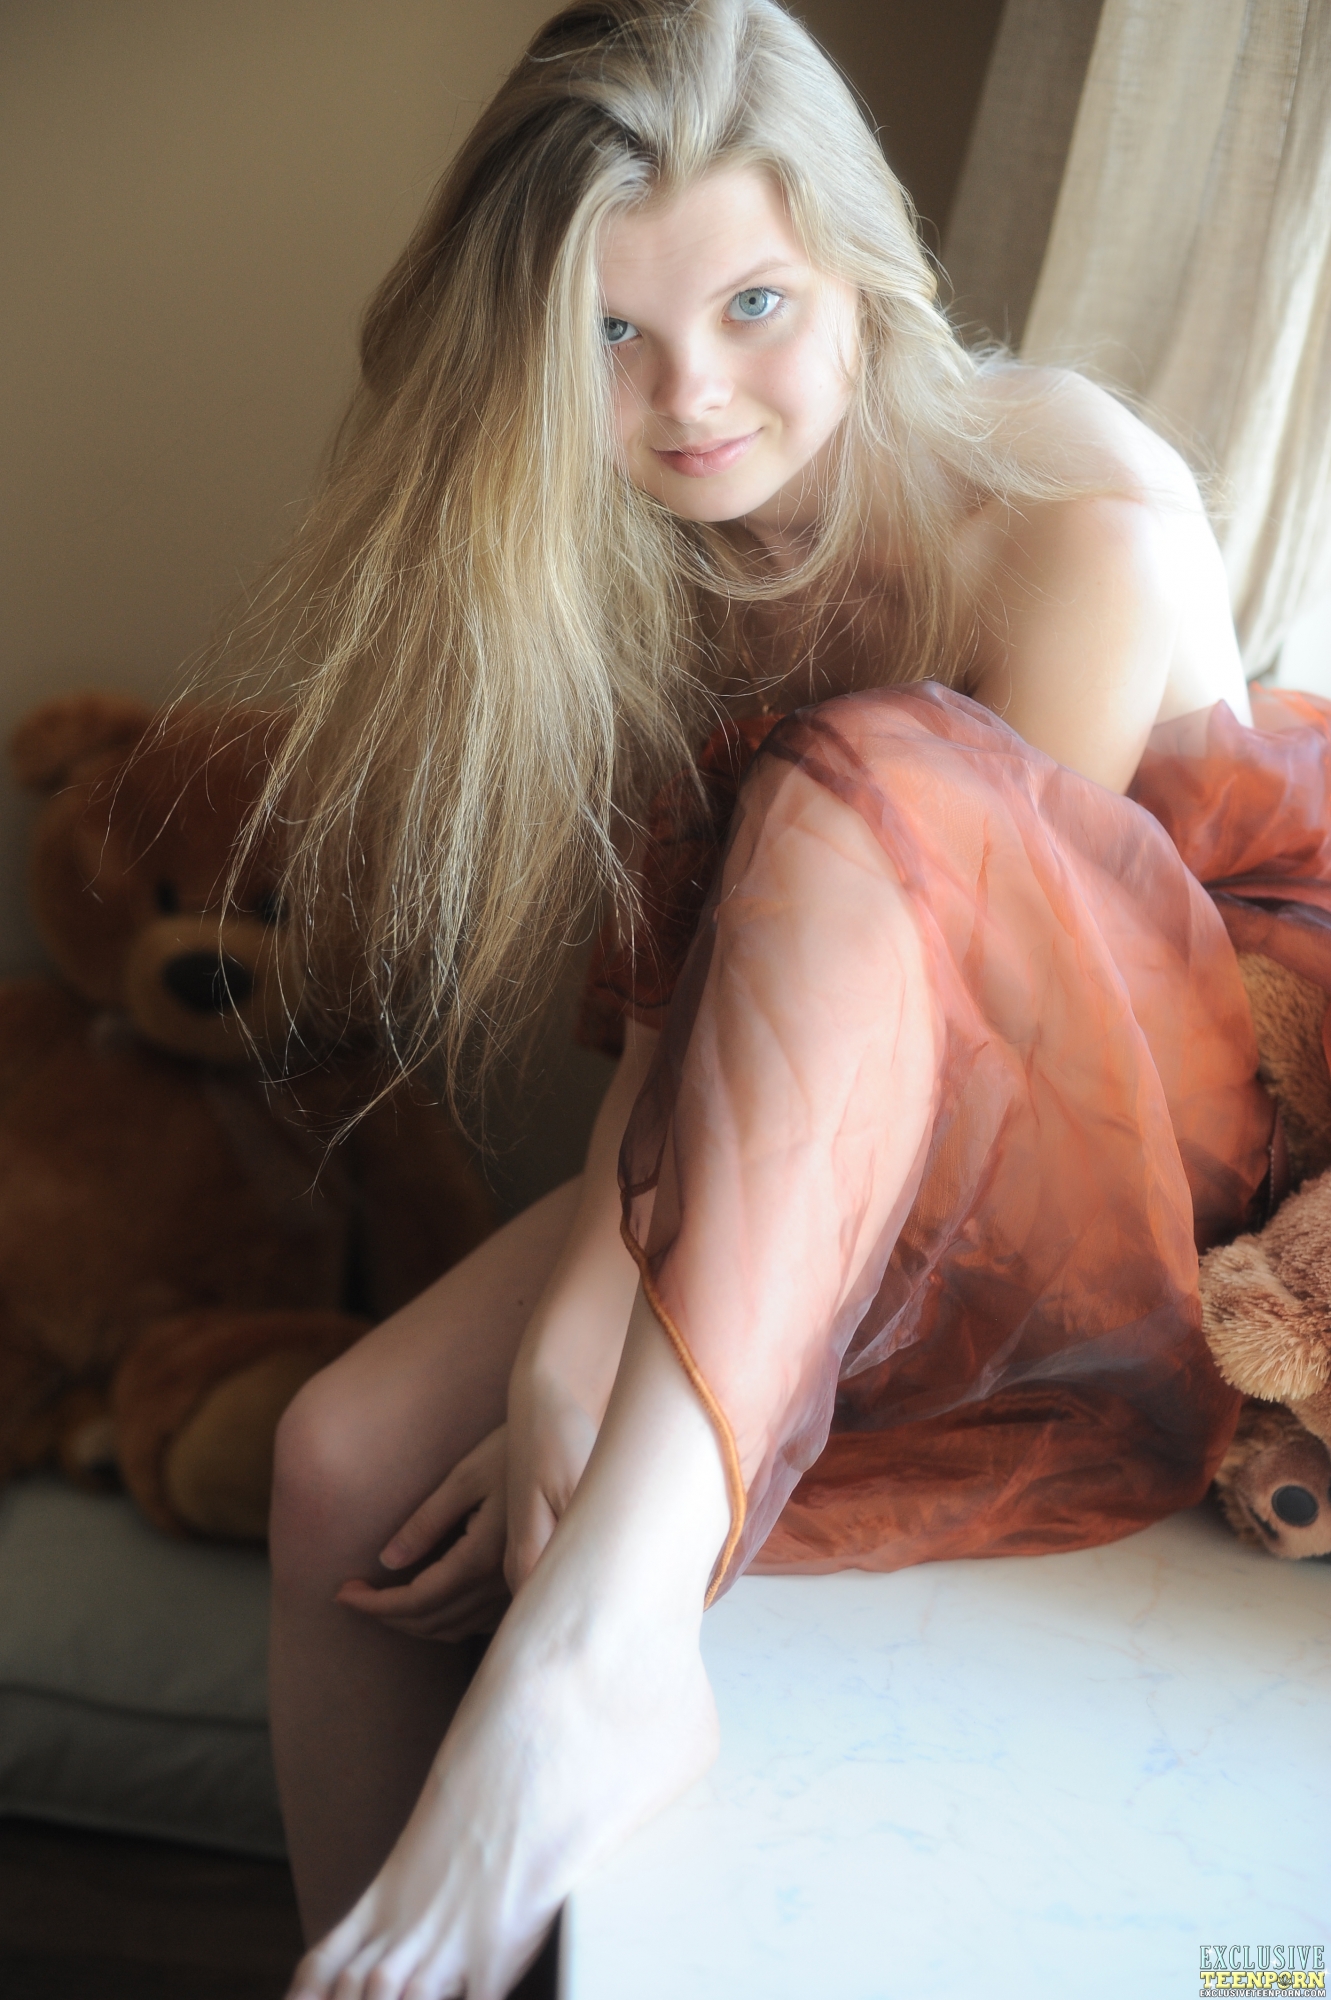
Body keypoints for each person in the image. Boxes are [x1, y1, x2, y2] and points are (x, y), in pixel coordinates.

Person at [242, 4, 1330, 1996]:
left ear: (859, 271)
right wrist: (566, 1348)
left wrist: (621, 1404)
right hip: (803, 1108)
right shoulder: (677, 550)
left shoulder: (1060, 528)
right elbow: (695, 1015)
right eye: (612, 337)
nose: (691, 400)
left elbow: (954, 1089)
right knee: (338, 1468)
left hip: (1147, 1136)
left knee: (874, 778)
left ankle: (604, 1667)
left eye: (753, 304)